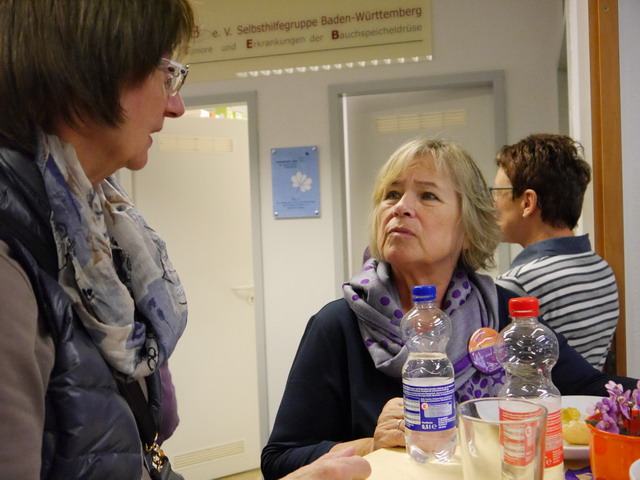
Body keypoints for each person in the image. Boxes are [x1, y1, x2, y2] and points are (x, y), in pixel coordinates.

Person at [0, 1, 370, 479]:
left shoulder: (91, 231)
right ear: (89, 73)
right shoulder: (14, 262)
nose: (175, 106)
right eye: (164, 74)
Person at [260, 137, 637, 480]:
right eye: (391, 194)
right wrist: (369, 445)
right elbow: (279, 459)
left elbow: (593, 388)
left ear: (468, 227)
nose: (401, 207)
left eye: (427, 195)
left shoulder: (504, 312)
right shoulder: (339, 323)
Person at [492, 134, 619, 370]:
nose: (493, 204)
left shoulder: (517, 285)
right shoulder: (602, 269)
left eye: (498, 193)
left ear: (527, 202)